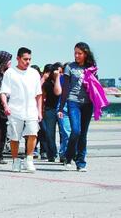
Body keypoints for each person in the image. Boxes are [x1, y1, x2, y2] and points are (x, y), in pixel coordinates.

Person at [0, 47, 42, 173]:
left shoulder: (34, 73)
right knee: (14, 137)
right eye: (25, 59)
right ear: (18, 58)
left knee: (33, 133)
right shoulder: (10, 73)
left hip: (31, 110)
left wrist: (39, 111)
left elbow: (39, 94)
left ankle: (29, 159)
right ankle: (15, 161)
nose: (27, 62)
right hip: (15, 110)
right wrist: (5, 106)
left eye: (29, 59)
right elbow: (3, 92)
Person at [58, 42, 96, 172]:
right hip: (73, 102)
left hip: (88, 104)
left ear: (85, 54)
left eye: (79, 53)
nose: (77, 55)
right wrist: (61, 107)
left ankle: (81, 163)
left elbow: (95, 87)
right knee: (75, 131)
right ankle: (69, 157)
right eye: (75, 53)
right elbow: (65, 88)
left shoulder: (91, 67)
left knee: (83, 134)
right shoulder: (70, 67)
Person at [42, 63, 62, 162]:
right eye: (58, 71)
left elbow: (59, 92)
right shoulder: (47, 83)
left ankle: (63, 153)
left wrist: (58, 78)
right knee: (50, 133)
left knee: (64, 132)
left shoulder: (64, 81)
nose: (59, 73)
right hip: (50, 109)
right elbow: (42, 95)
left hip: (61, 110)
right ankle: (52, 153)